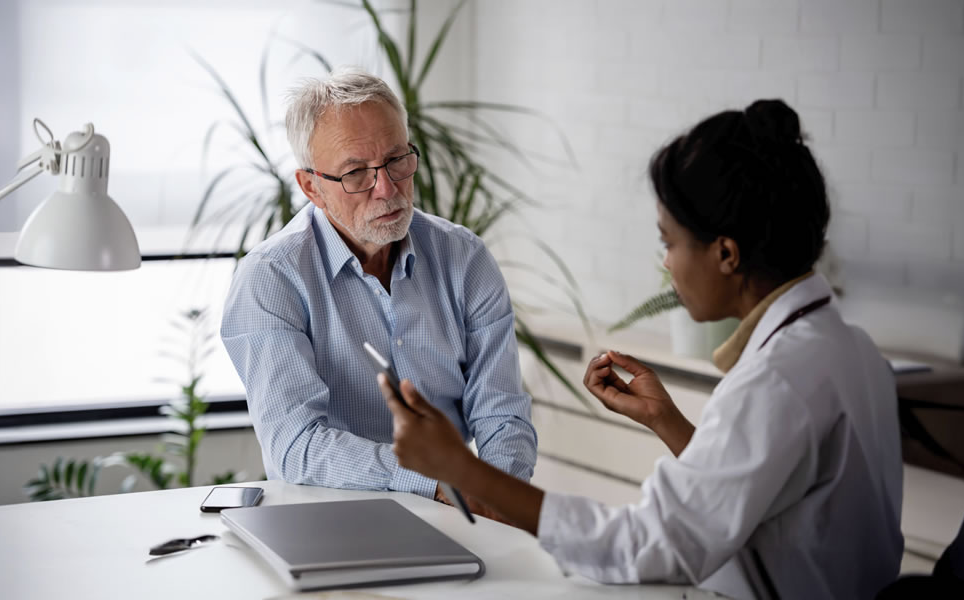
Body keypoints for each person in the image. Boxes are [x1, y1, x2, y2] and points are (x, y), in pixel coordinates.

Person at [377, 99, 904, 599]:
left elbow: (649, 546)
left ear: (725, 254)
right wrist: (667, 422)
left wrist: (463, 470)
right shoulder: (850, 349)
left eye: (669, 242)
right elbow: (757, 495)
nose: (666, 265)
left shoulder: (778, 380)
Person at [221, 68, 537, 507]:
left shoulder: (465, 258)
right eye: (356, 173)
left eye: (396, 160)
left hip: (454, 509)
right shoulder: (270, 279)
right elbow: (295, 445)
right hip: (326, 516)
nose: (386, 188)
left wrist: (495, 497)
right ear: (312, 186)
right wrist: (434, 482)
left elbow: (502, 415)